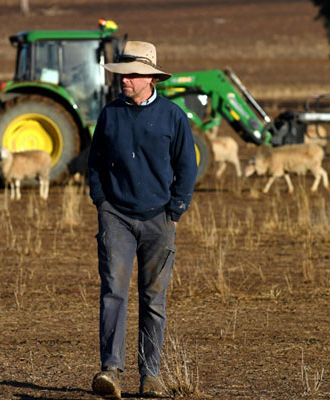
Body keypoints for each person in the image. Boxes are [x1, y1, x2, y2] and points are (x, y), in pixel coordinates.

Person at [87, 41, 198, 399]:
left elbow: (187, 166)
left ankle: (150, 376)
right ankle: (111, 371)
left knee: (153, 299)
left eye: (133, 75)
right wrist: (103, 204)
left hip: (159, 219)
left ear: (151, 78)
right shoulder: (109, 114)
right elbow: (95, 164)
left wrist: (175, 211)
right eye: (122, 74)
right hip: (116, 217)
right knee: (114, 292)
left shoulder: (173, 116)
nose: (125, 81)